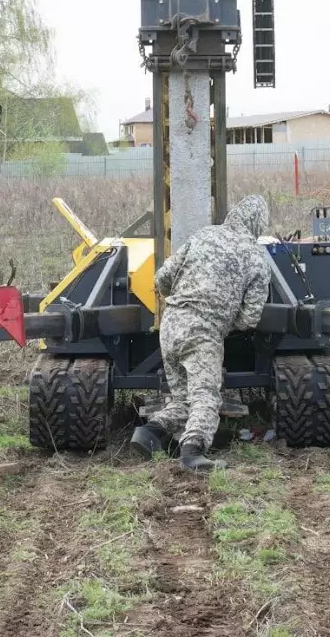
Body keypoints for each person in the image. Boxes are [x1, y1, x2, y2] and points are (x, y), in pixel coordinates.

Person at [131, 194, 271, 472]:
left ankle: (149, 433)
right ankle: (193, 453)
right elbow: (249, 318)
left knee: (183, 398)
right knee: (206, 397)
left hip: (171, 325)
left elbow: (162, 278)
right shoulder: (256, 258)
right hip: (203, 333)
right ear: (259, 224)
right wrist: (222, 323)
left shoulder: (204, 235)